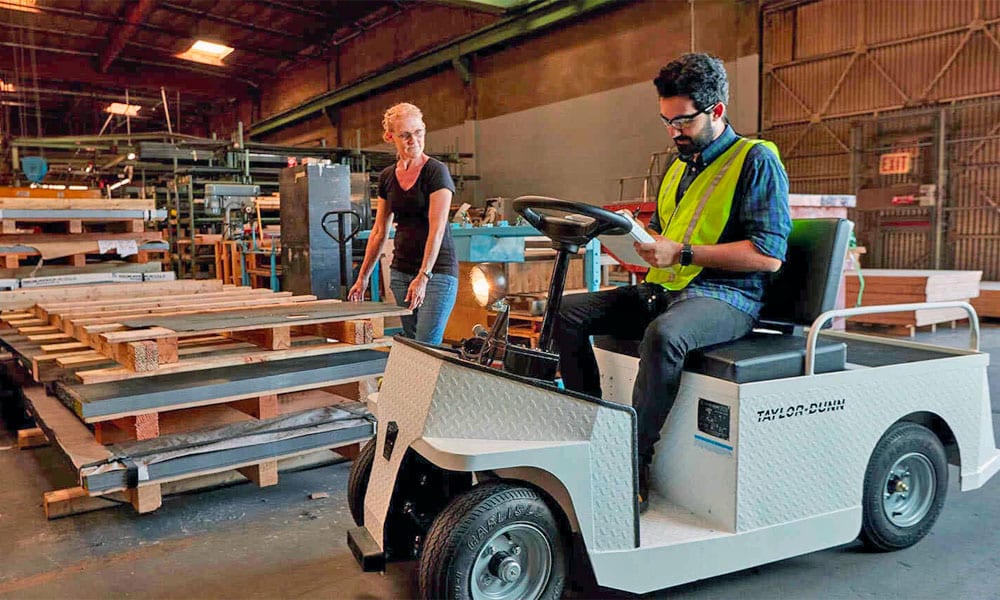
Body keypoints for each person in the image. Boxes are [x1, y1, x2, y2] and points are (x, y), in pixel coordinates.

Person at [553, 53, 791, 512]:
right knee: (566, 312)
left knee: (665, 336)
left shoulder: (756, 161)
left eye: (682, 121)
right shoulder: (678, 166)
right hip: (666, 288)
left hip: (728, 296)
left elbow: (768, 256)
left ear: (716, 111)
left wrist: (680, 252)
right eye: (666, 121)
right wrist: (636, 241)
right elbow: (665, 235)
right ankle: (593, 431)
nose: (673, 131)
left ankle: (633, 460)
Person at [348, 102, 459, 346]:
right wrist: (363, 277)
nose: (414, 140)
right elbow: (379, 231)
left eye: (418, 132)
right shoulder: (387, 176)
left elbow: (437, 227)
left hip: (436, 272)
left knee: (426, 347)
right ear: (390, 137)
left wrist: (424, 275)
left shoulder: (436, 172)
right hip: (401, 272)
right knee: (411, 345)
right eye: (405, 135)